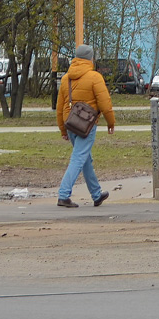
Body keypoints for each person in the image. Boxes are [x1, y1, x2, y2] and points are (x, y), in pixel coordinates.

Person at [55, 44, 115, 208]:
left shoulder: (66, 78)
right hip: (86, 125)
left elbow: (60, 107)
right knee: (78, 158)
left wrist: (62, 128)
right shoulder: (94, 77)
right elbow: (105, 103)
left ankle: (96, 195)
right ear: (90, 58)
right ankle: (63, 195)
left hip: (70, 124)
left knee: (85, 159)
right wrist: (111, 123)